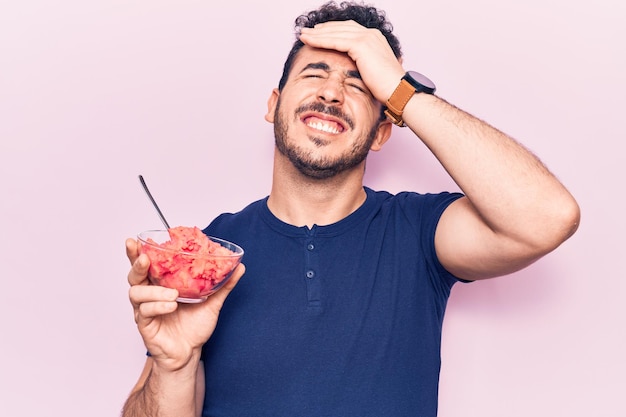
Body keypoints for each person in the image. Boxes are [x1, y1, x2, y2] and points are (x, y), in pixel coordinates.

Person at [122, 2, 580, 416]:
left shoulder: (419, 232)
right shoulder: (211, 255)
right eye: (314, 73)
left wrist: (400, 91)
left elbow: (547, 217)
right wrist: (174, 366)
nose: (332, 94)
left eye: (359, 84)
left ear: (383, 132)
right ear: (274, 106)